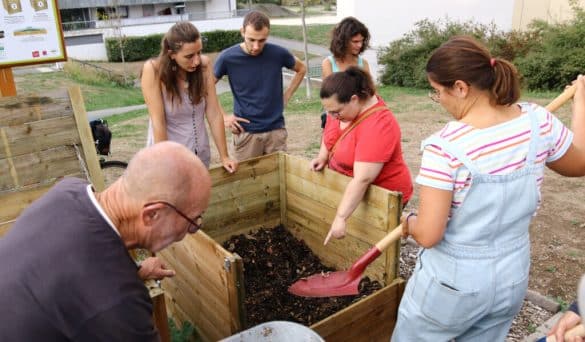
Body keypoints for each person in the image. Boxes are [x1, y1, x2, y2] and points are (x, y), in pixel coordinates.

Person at [392, 36, 585, 341]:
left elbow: (429, 234)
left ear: (460, 87)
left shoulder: (444, 148)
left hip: (452, 284)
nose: (438, 99)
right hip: (511, 276)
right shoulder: (538, 122)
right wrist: (582, 103)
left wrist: (410, 222)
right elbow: (581, 162)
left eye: (437, 92)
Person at [0, 141, 212, 341]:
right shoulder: (120, 305)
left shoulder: (68, 192)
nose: (193, 230)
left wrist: (135, 273)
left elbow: (65, 276)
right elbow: (102, 292)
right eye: (192, 221)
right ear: (151, 215)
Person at [310, 67, 413, 245]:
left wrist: (341, 217)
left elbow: (363, 179)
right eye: (329, 112)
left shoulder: (378, 125)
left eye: (336, 112)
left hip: (381, 196)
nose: (332, 116)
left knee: (375, 245)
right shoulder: (341, 112)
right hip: (353, 193)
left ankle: (406, 226)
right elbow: (331, 132)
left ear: (354, 99)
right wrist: (323, 156)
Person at [141, 21, 237, 173]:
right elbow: (158, 122)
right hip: (168, 156)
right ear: (171, 54)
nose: (197, 60)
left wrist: (224, 156)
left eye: (199, 52)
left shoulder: (204, 66)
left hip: (200, 155)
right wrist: (165, 163)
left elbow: (213, 113)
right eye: (189, 56)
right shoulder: (153, 71)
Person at [214, 10, 307, 161]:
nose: (256, 46)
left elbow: (301, 69)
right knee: (247, 182)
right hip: (246, 134)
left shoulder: (278, 53)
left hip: (276, 131)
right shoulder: (227, 57)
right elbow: (207, 87)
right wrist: (224, 116)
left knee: (278, 182)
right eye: (251, 39)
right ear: (242, 32)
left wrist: (287, 95)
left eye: (262, 40)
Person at [320, 16, 372, 129]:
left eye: (362, 41)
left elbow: (370, 95)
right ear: (343, 40)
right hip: (336, 119)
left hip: (361, 119)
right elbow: (331, 96)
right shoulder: (328, 63)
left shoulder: (364, 64)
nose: (360, 45)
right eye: (355, 41)